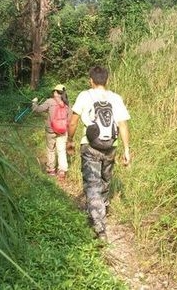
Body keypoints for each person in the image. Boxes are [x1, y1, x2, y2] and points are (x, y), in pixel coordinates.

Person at [66, 66, 130, 242]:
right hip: (111, 146)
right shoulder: (116, 98)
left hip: (90, 146)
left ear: (90, 80)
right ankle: (101, 209)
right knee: (105, 180)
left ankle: (99, 227)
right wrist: (126, 150)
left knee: (92, 184)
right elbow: (123, 125)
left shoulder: (85, 95)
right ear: (107, 81)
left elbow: (73, 121)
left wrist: (70, 140)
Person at [31, 84, 71, 180]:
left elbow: (37, 109)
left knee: (51, 149)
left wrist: (34, 102)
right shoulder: (68, 104)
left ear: (55, 92)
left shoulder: (50, 101)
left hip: (51, 131)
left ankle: (51, 170)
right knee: (61, 151)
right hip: (62, 131)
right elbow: (69, 119)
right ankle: (62, 170)